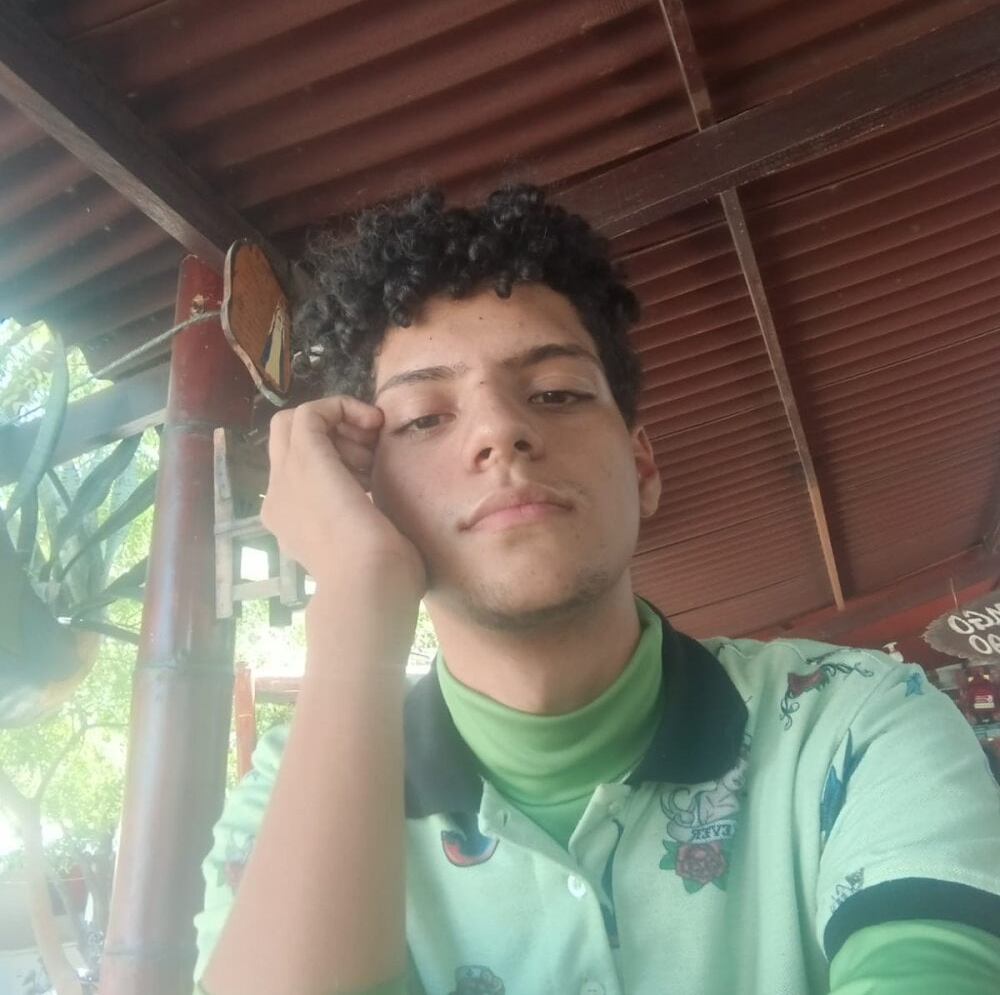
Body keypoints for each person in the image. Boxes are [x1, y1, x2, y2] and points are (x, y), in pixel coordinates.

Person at [193, 185, 1000, 994]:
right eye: (425, 418)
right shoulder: (290, 795)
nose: (500, 430)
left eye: (556, 393)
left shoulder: (855, 726)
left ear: (642, 466)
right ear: (366, 500)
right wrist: (355, 599)